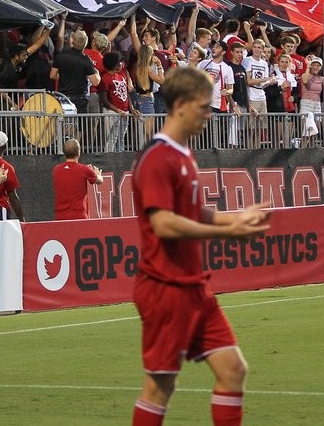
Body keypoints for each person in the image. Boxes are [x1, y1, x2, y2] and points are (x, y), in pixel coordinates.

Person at [129, 66, 271, 426]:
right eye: (204, 107)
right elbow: (163, 223)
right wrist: (228, 233)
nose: (210, 114)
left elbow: (192, 211)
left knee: (233, 369)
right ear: (180, 105)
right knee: (159, 386)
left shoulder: (183, 154)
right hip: (165, 286)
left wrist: (235, 217)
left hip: (195, 287)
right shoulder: (158, 157)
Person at [52, 137, 102, 220]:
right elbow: (99, 181)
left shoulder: (56, 170)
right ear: (79, 153)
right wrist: (98, 174)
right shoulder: (84, 170)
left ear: (64, 153)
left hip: (61, 217)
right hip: (79, 217)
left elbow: (71, 172)